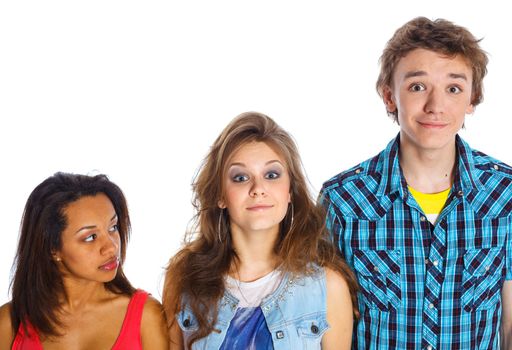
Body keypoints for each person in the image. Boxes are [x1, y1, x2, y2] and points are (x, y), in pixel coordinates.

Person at [320, 17, 512, 349]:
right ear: (389, 96)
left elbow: (509, 326)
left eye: (453, 89)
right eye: (417, 86)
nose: (435, 106)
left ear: (472, 98)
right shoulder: (343, 200)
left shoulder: (505, 194)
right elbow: (322, 326)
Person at [163, 112, 358, 350]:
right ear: (220, 195)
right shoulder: (184, 277)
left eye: (272, 175)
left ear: (289, 192)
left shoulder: (327, 288)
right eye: (241, 177)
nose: (258, 189)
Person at [0, 173, 169, 349]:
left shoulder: (147, 317)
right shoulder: (9, 323)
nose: (111, 247)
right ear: (52, 249)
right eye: (90, 237)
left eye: (113, 227)